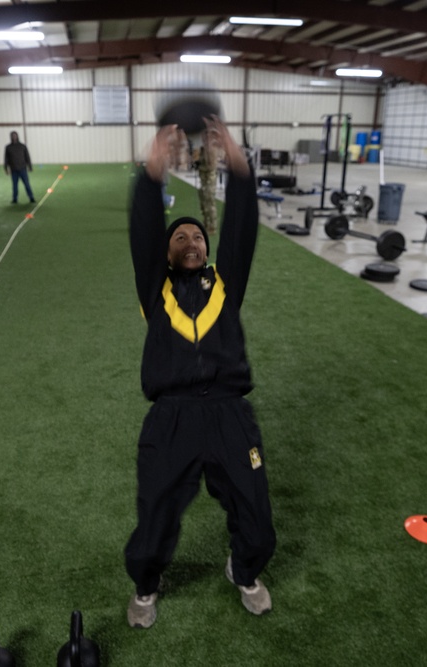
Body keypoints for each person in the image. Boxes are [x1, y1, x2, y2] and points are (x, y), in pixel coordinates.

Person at [125, 118, 276, 629]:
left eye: (197, 236)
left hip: (231, 415)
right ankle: (147, 586)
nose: (190, 240)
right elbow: (143, 231)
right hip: (172, 419)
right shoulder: (156, 292)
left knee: (257, 519)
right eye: (179, 237)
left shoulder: (225, 287)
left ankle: (245, 570)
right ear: (166, 255)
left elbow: (241, 230)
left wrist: (239, 166)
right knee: (154, 520)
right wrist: (151, 175)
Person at [3, 131, 35, 204]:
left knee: (27, 184)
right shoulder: (8, 147)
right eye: (12, 136)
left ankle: (31, 197)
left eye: (15, 135)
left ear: (17, 136)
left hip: (22, 169)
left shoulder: (22, 146)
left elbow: (27, 156)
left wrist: (30, 166)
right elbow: (6, 158)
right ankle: (15, 199)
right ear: (11, 137)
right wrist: (5, 168)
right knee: (14, 186)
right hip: (13, 169)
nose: (14, 137)